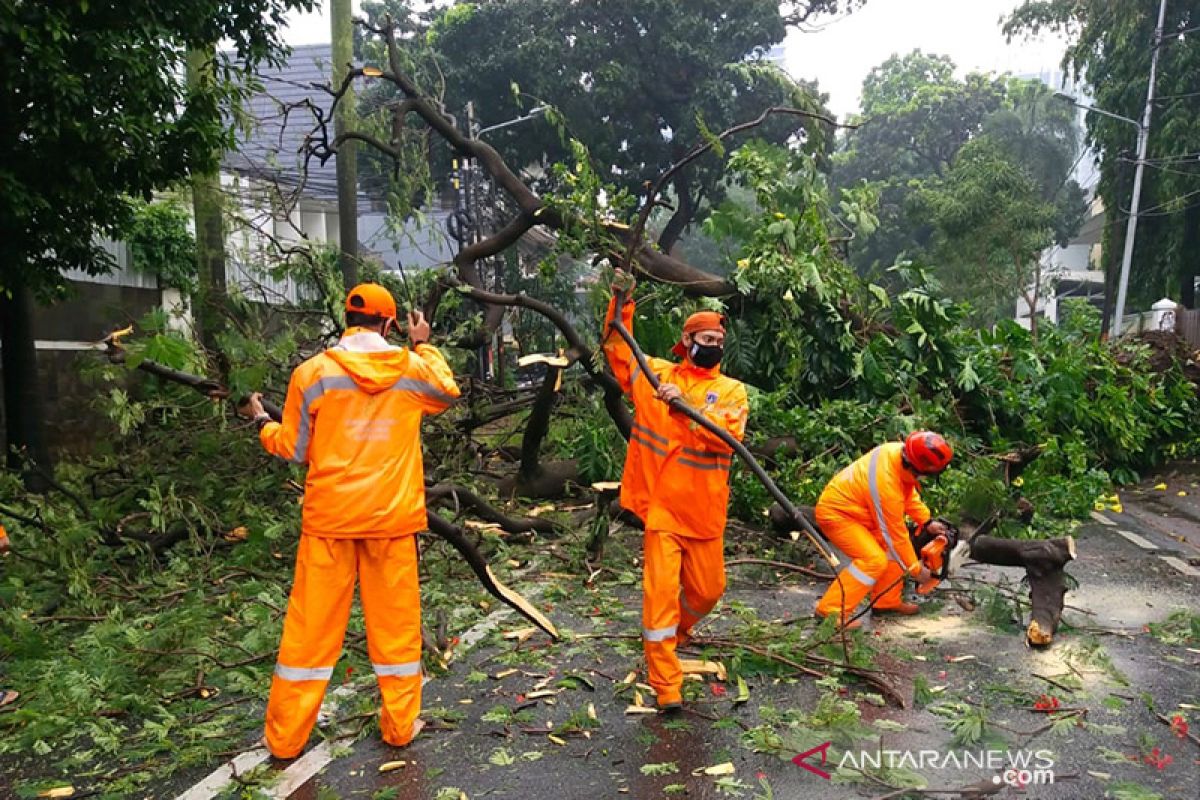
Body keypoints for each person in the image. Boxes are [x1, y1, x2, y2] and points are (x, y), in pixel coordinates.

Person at [239, 283, 460, 759]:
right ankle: (400, 727)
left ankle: (285, 740)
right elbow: (448, 391)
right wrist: (423, 342)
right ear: (389, 324)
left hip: (331, 521)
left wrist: (261, 422)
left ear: (347, 320)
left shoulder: (312, 373)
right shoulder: (410, 367)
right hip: (392, 521)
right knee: (397, 631)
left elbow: (295, 449)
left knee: (309, 634)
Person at [601, 272, 749, 711]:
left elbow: (726, 439)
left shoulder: (731, 391)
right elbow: (617, 346)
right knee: (660, 596)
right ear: (685, 342)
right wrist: (621, 301)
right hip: (662, 512)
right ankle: (666, 683)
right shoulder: (655, 374)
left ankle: (675, 636)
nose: (713, 345)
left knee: (707, 593)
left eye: (718, 339)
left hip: (704, 514)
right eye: (705, 337)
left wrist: (682, 410)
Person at [813, 432, 954, 628]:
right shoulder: (886, 485)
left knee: (891, 553)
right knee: (873, 559)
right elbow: (895, 536)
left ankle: (886, 601)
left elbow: (907, 490)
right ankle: (830, 610)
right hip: (838, 515)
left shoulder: (898, 454)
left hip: (862, 512)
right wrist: (917, 571)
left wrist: (926, 520)